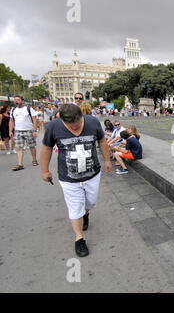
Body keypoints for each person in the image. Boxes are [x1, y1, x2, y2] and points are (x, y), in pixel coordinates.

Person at [40, 104, 112, 257]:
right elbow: (46, 148)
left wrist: (107, 160)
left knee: (90, 202)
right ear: (62, 120)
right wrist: (45, 170)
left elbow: (102, 141)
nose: (74, 128)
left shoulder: (92, 122)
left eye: (77, 125)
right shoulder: (53, 126)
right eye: (70, 126)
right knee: (75, 207)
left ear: (82, 117)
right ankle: (79, 239)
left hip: (92, 174)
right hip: (68, 178)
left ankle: (85, 213)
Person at [9, 96, 39, 171]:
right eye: (15, 100)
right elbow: (11, 120)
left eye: (18, 100)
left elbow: (34, 120)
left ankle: (34, 160)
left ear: (22, 101)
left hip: (29, 130)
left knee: (32, 146)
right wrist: (10, 130)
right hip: (18, 131)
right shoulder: (13, 110)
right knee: (19, 147)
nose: (16, 101)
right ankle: (20, 164)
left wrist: (35, 131)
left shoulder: (28, 109)